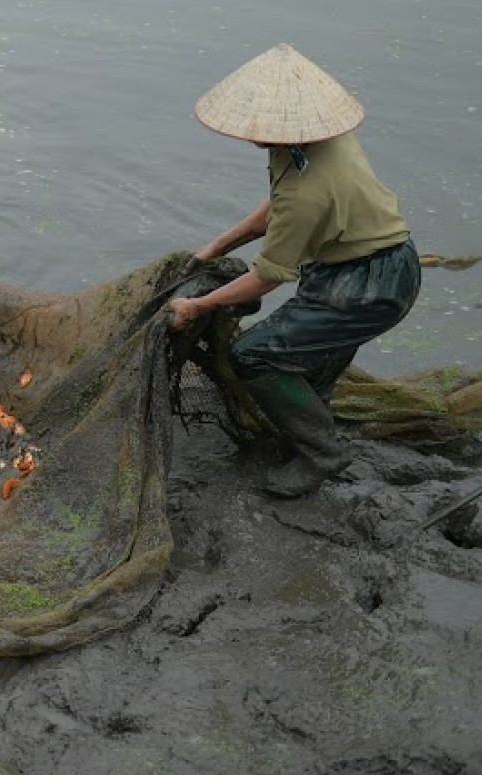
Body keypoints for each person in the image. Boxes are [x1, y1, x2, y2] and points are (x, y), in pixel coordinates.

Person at [169, 43, 421, 498]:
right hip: (359, 265)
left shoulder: (309, 191)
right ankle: (306, 430)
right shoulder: (315, 140)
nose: (250, 133)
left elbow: (269, 275)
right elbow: (277, 206)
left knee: (254, 354)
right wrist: (217, 246)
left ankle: (323, 453)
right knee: (308, 359)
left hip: (370, 286)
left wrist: (198, 305)